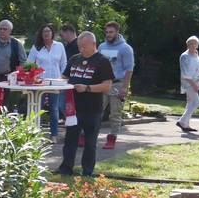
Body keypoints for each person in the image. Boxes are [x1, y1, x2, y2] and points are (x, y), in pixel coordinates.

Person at [58, 32, 115, 177]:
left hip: (92, 109)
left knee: (90, 143)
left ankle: (87, 171)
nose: (81, 49)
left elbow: (107, 86)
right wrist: (58, 84)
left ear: (93, 44)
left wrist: (87, 88)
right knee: (70, 140)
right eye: (79, 46)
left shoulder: (103, 61)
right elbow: (64, 77)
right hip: (73, 109)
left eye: (84, 46)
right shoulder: (74, 59)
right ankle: (66, 168)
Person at [98, 21, 135, 149]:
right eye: (107, 32)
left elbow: (129, 69)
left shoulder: (125, 48)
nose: (108, 34)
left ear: (117, 32)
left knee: (115, 113)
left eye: (111, 32)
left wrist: (125, 87)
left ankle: (112, 138)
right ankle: (88, 136)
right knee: (96, 111)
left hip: (117, 84)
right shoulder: (102, 46)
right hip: (102, 83)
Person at [28, 24, 68, 139]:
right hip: (39, 82)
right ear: (41, 34)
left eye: (48, 31)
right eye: (44, 31)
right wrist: (34, 75)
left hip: (55, 82)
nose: (46, 33)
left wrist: (63, 78)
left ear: (52, 33)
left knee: (54, 108)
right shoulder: (36, 47)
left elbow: (64, 63)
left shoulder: (59, 46)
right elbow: (29, 64)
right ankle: (35, 134)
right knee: (37, 108)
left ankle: (54, 135)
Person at [179, 36, 199, 132]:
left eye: (195, 44)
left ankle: (186, 125)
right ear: (187, 44)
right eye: (191, 43)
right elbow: (185, 73)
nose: (193, 45)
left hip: (196, 81)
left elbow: (197, 68)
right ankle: (182, 121)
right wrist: (194, 84)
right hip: (188, 83)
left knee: (190, 103)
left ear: (197, 45)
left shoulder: (196, 54)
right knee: (197, 102)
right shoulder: (184, 56)